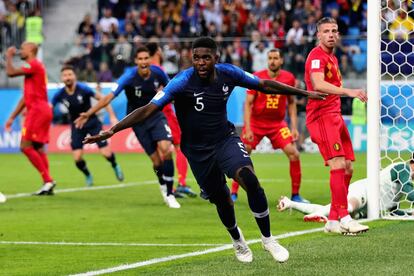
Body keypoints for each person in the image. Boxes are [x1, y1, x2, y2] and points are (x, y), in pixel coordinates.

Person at [82, 37, 325, 263]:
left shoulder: (229, 73)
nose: (200, 62)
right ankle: (237, 239)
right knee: (222, 201)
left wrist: (305, 93)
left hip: (225, 140)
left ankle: (268, 239)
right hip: (197, 151)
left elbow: (264, 85)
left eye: (205, 57)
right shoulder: (182, 81)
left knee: (249, 179)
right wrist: (113, 130)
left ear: (216, 57)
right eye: (196, 57)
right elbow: (148, 109)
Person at [75, 47, 180, 209]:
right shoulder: (129, 77)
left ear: (150, 60)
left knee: (166, 149)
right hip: (137, 121)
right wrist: (88, 113)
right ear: (136, 61)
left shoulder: (158, 74)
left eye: (146, 58)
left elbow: (173, 91)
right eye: (140, 59)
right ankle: (162, 184)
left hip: (156, 116)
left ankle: (170, 194)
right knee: (156, 161)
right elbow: (107, 98)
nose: (144, 62)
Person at [304, 17, 369, 234]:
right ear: (318, 35)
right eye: (326, 31)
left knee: (349, 167)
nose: (331, 34)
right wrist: (349, 91)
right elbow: (318, 84)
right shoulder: (316, 57)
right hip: (322, 116)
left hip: (335, 116)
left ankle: (332, 219)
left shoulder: (332, 57)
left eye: (334, 31)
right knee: (338, 165)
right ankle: (344, 217)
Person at [230, 49, 308, 204]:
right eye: (270, 58)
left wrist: (293, 127)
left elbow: (291, 104)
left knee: (294, 154)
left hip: (277, 124)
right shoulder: (257, 76)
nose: (272, 61)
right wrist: (248, 127)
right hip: (257, 123)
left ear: (281, 61)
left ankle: (295, 195)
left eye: (275, 58)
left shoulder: (288, 78)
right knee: (244, 152)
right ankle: (233, 192)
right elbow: (248, 104)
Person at [52, 65, 124, 186]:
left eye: (70, 74)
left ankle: (115, 165)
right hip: (76, 126)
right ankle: (88, 175)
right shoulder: (59, 94)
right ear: (62, 78)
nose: (67, 77)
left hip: (92, 122)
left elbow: (103, 99)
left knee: (106, 153)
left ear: (74, 76)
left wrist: (112, 116)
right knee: (77, 158)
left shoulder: (83, 89)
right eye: (65, 75)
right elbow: (49, 107)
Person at [278, 158, 414, 221]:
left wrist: (406, 213)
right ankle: (314, 216)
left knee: (333, 209)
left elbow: (393, 209)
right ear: (412, 162)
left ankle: (290, 203)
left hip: (368, 206)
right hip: (364, 190)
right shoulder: (403, 169)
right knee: (347, 207)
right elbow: (410, 193)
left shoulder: (403, 180)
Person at [5, 42, 55, 195]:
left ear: (32, 50)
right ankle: (48, 183)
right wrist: (12, 117)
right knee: (38, 147)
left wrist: (8, 57)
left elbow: (11, 72)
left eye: (23, 47)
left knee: (25, 146)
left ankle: (48, 180)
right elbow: (24, 99)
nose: (20, 50)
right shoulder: (31, 69)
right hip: (40, 110)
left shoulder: (33, 64)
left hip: (38, 111)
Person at [147, 42, 196, 197]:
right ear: (157, 52)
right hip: (165, 113)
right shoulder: (158, 70)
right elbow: (170, 92)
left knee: (162, 151)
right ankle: (180, 183)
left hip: (151, 116)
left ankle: (169, 186)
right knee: (178, 145)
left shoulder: (145, 72)